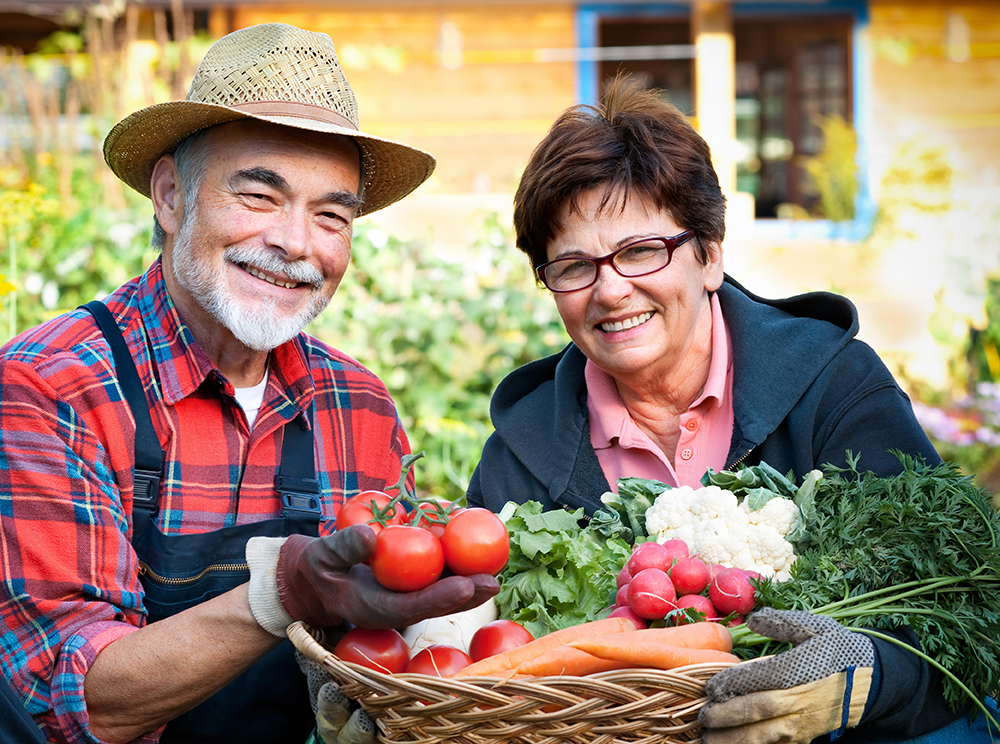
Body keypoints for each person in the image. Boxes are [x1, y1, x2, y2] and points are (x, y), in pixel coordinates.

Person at [0, 23, 498, 744]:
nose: (297, 243)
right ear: (170, 197)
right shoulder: (51, 387)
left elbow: (385, 657)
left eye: (331, 215)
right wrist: (281, 592)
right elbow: (76, 706)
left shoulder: (354, 405)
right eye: (260, 196)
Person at [466, 78, 995, 742]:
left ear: (710, 254)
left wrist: (863, 676)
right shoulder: (516, 456)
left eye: (639, 251)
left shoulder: (835, 388)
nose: (609, 290)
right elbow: (475, 651)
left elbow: (961, 616)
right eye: (573, 266)